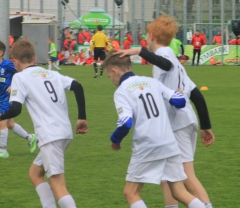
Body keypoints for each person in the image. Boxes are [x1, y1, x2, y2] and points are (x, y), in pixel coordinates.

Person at [114, 15, 214, 208]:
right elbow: (197, 96)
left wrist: (139, 51)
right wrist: (205, 126)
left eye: (146, 38)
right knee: (168, 176)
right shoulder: (176, 63)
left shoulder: (166, 54)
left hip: (178, 123)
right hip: (181, 122)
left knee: (186, 176)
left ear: (151, 36)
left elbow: (164, 64)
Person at [103, 50, 205, 208]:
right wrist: (178, 96)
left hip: (147, 146)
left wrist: (115, 139)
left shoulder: (121, 91)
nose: (111, 80)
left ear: (115, 71)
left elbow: (125, 123)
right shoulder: (152, 82)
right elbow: (179, 101)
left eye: (110, 76)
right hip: (170, 144)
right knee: (179, 192)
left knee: (131, 193)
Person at [1, 40, 88, 208]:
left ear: (15, 61)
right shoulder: (51, 74)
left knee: (58, 186)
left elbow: (16, 110)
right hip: (64, 132)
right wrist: (81, 117)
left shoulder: (19, 77)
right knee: (35, 174)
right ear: (34, 58)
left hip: (50, 136)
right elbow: (77, 86)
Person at [0, 41, 36, 158]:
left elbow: (22, 73)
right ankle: (30, 137)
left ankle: (3, 151)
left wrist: (14, 86)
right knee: (10, 124)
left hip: (7, 97)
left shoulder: (8, 65)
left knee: (2, 123)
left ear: (1, 53)